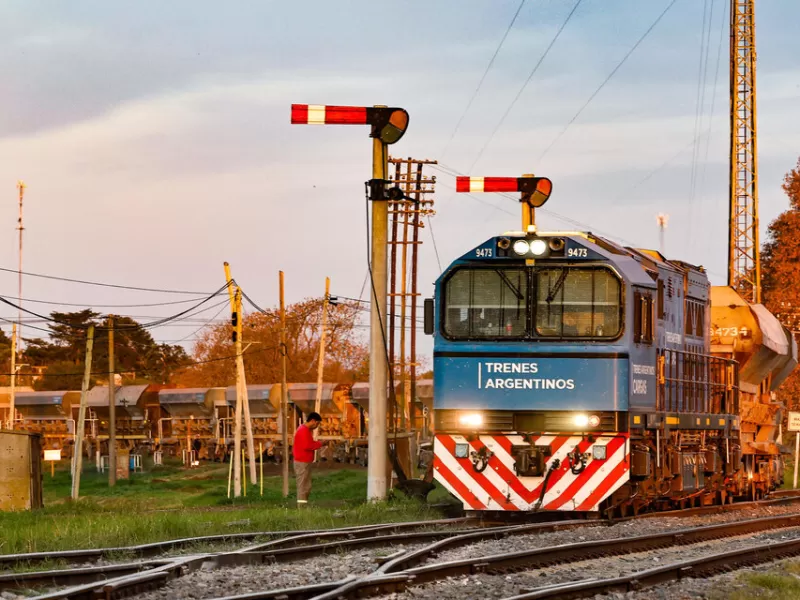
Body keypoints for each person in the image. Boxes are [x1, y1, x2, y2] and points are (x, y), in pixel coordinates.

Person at [293, 412, 322, 506]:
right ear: (313, 421)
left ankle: (303, 504)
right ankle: (301, 507)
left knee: (307, 485)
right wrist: (320, 444)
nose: (317, 426)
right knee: (303, 486)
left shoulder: (305, 430)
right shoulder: (303, 430)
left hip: (305, 461)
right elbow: (307, 445)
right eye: (317, 423)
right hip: (302, 462)